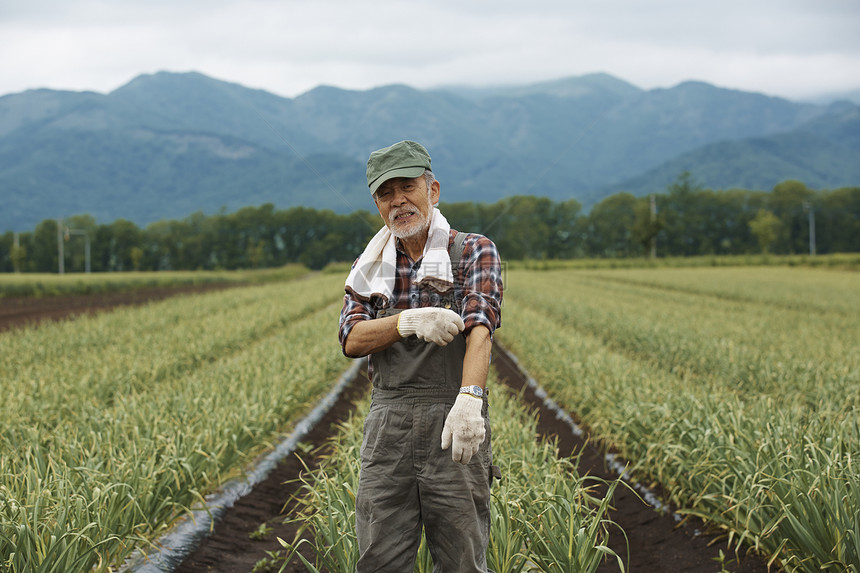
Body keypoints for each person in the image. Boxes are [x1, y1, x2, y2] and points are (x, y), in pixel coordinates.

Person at [338, 140, 503, 572]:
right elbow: (351, 338)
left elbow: (480, 329)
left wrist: (469, 400)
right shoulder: (368, 267)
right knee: (380, 560)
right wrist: (405, 322)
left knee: (462, 559)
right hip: (387, 428)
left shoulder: (472, 250)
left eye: (407, 187)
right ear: (377, 203)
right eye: (385, 194)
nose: (398, 202)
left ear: (433, 190)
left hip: (452, 422)